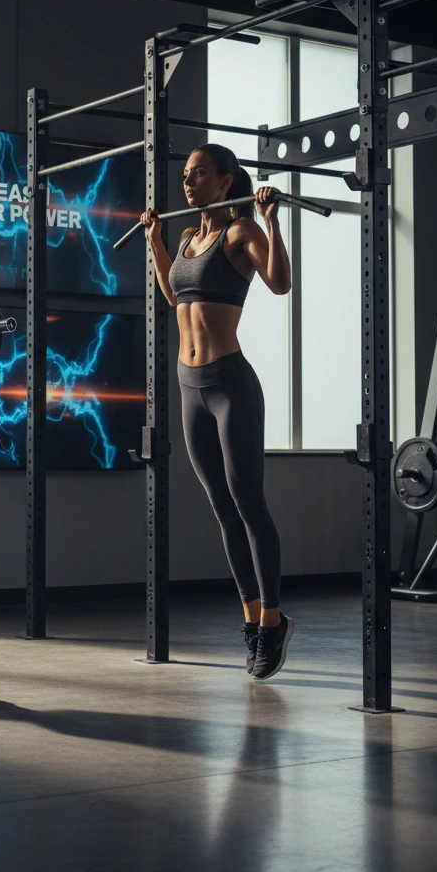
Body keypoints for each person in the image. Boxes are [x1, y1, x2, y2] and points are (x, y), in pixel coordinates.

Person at [139, 145, 294, 680]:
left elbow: (280, 282)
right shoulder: (186, 237)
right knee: (221, 508)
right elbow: (172, 294)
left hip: (230, 385)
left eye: (199, 173)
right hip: (189, 387)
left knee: (249, 502)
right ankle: (251, 618)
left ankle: (273, 622)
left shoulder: (239, 233)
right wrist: (157, 243)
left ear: (226, 182)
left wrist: (272, 222)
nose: (187, 182)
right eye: (184, 175)